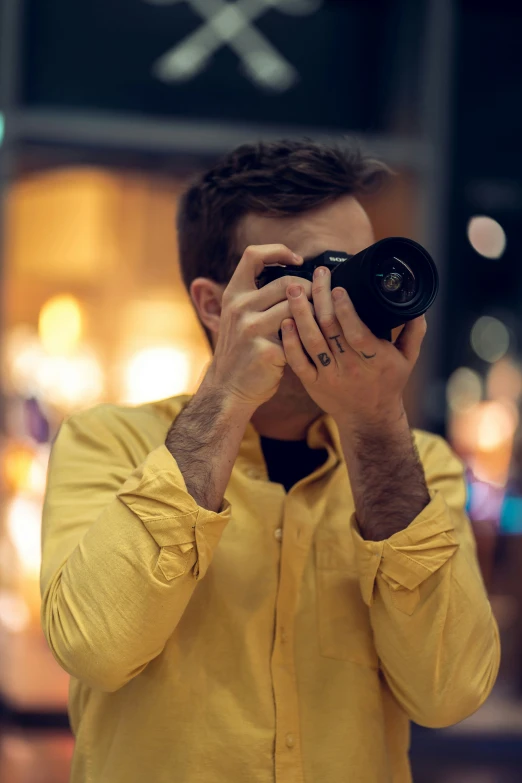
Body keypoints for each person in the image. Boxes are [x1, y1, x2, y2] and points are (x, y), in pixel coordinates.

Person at [41, 140, 500, 783]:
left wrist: (375, 426)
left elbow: (449, 692)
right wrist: (227, 396)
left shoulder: (418, 464)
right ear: (213, 303)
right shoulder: (108, 441)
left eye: (352, 266)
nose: (338, 298)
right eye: (309, 271)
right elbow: (96, 648)